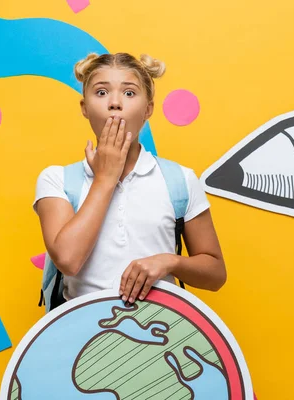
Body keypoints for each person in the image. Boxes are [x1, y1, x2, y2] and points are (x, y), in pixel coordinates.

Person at [33, 52, 226, 305]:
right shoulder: (56, 179)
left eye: (129, 93)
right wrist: (105, 178)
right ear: (84, 108)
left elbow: (215, 275)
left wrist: (169, 261)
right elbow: (69, 260)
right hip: (81, 338)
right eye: (101, 92)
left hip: (162, 333)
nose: (115, 103)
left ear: (148, 109)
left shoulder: (180, 180)